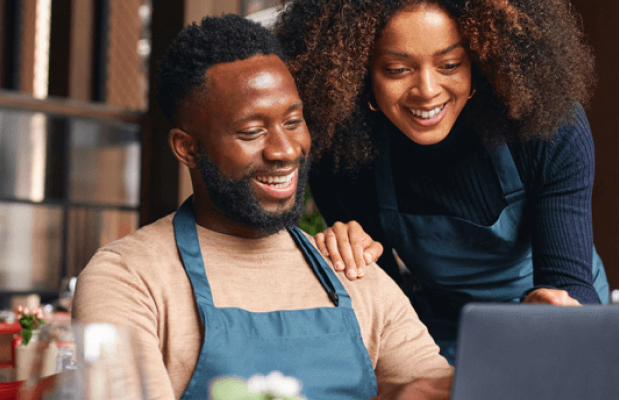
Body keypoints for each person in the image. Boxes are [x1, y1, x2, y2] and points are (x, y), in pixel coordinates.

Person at [73, 14, 452, 400]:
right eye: (252, 132)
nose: (285, 151)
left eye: (293, 121)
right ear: (186, 148)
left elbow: (443, 389)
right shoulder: (128, 279)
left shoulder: (352, 271)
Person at [275, 0, 609, 362]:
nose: (427, 90)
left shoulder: (547, 128)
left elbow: (570, 283)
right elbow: (384, 301)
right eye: (397, 69)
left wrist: (558, 309)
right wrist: (348, 255)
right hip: (443, 326)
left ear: (479, 61)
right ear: (360, 71)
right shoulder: (344, 152)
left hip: (552, 312)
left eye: (450, 65)